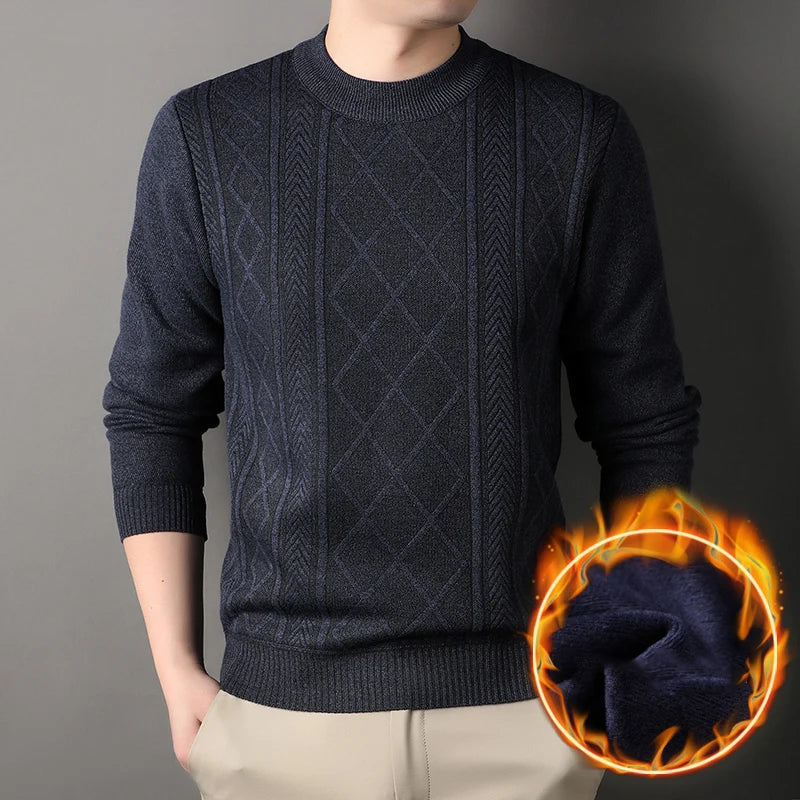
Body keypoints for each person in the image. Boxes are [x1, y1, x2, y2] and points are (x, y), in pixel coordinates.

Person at [101, 1, 704, 797]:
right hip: (281, 721)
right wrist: (177, 669)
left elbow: (645, 420)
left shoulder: (579, 134)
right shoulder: (207, 134)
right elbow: (152, 411)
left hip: (528, 716)